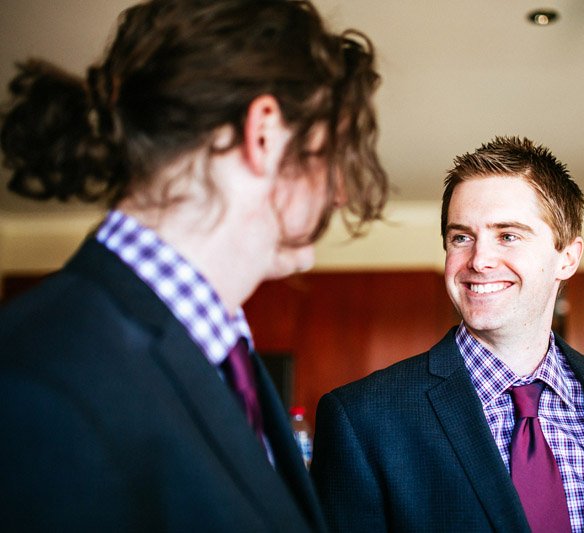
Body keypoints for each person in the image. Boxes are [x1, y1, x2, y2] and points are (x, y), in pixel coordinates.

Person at [0, 0, 387, 531]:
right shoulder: (39, 386)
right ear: (265, 134)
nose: (341, 194)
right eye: (332, 154)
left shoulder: (225, 352)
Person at [311, 136, 584, 532]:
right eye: (461, 237)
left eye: (508, 235)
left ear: (567, 258)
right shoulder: (361, 419)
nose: (479, 260)